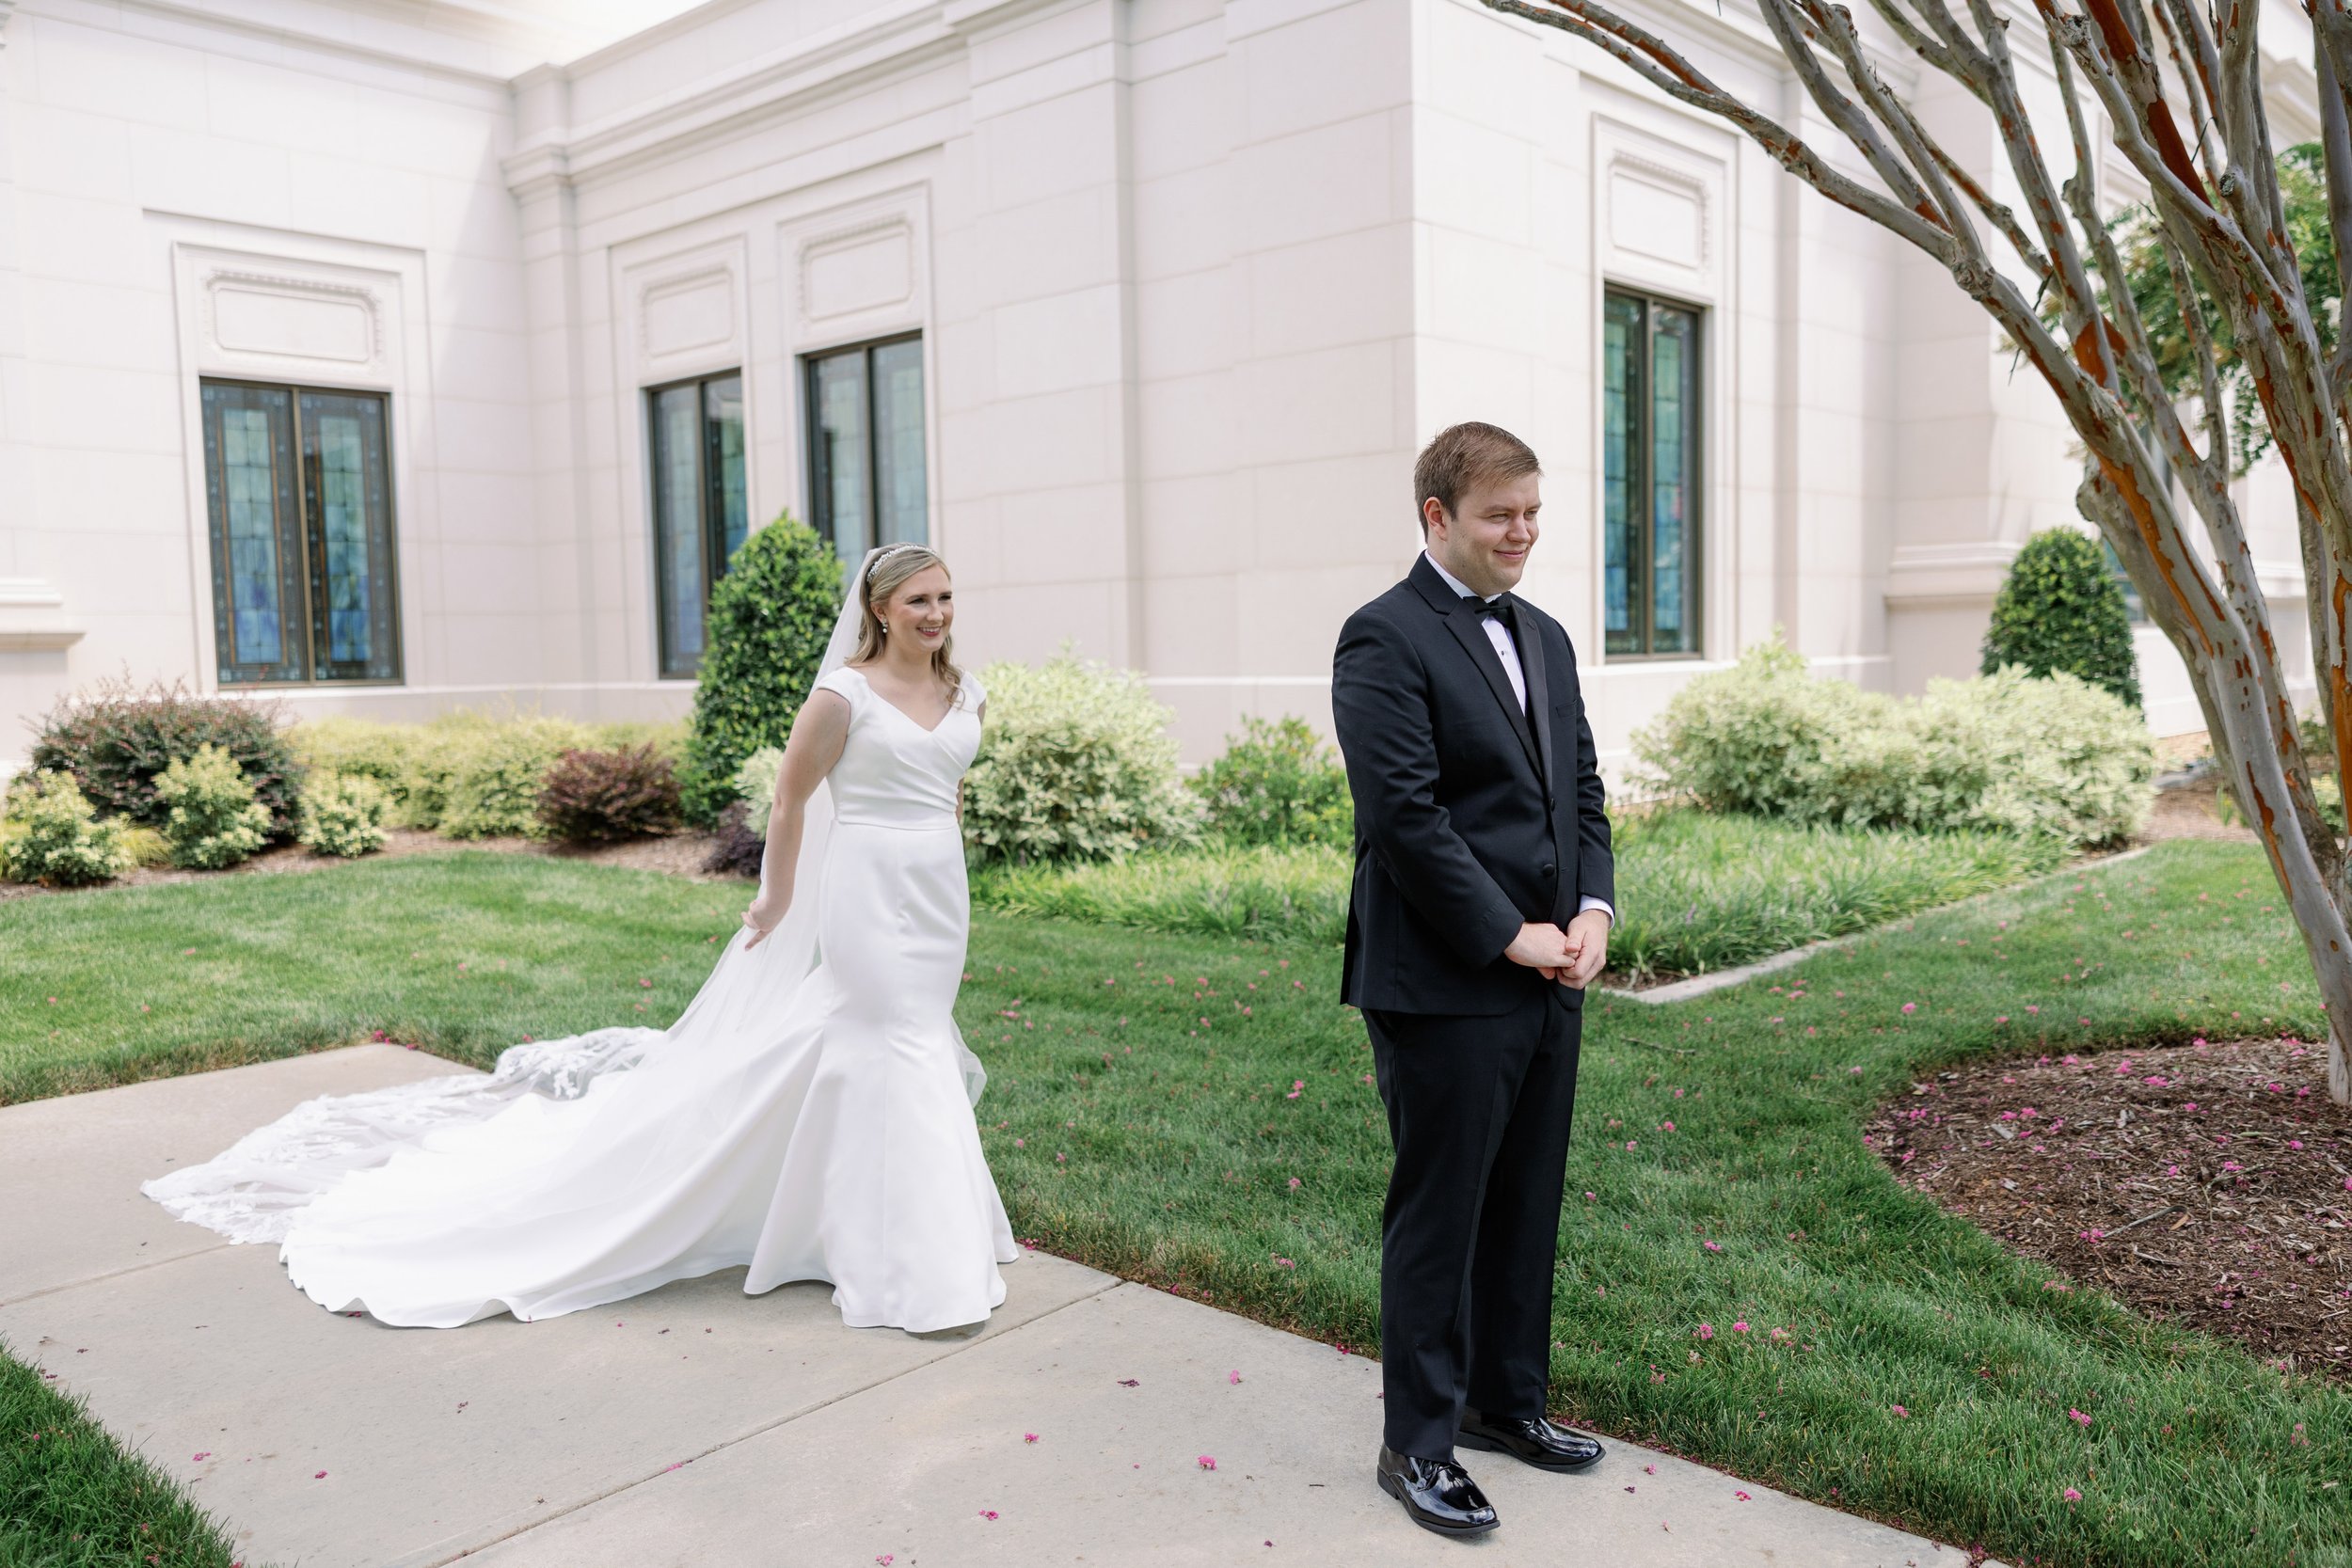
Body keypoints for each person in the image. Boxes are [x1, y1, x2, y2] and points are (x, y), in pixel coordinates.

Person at [143, 544, 1018, 1335]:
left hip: (939, 890)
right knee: (889, 1035)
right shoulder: (844, 695)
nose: (936, 614)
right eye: (918, 602)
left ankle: (864, 1218)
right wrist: (776, 898)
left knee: (910, 1037)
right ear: (879, 610)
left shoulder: (962, 689)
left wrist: (947, 849)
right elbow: (792, 799)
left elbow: (948, 787)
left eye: (945, 597)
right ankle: (909, 1260)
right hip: (866, 889)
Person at [1330, 422, 1617, 1538]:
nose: (1524, 532)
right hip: (1444, 977)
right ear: (1435, 516)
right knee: (1440, 1217)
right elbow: (1405, 818)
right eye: (1501, 514)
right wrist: (1511, 934)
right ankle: (1418, 1445)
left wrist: (1592, 910)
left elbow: (1580, 790)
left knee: (1525, 1201)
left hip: (1551, 972)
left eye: (1533, 511)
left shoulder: (1544, 635)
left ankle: (1507, 1406)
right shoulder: (1382, 637)